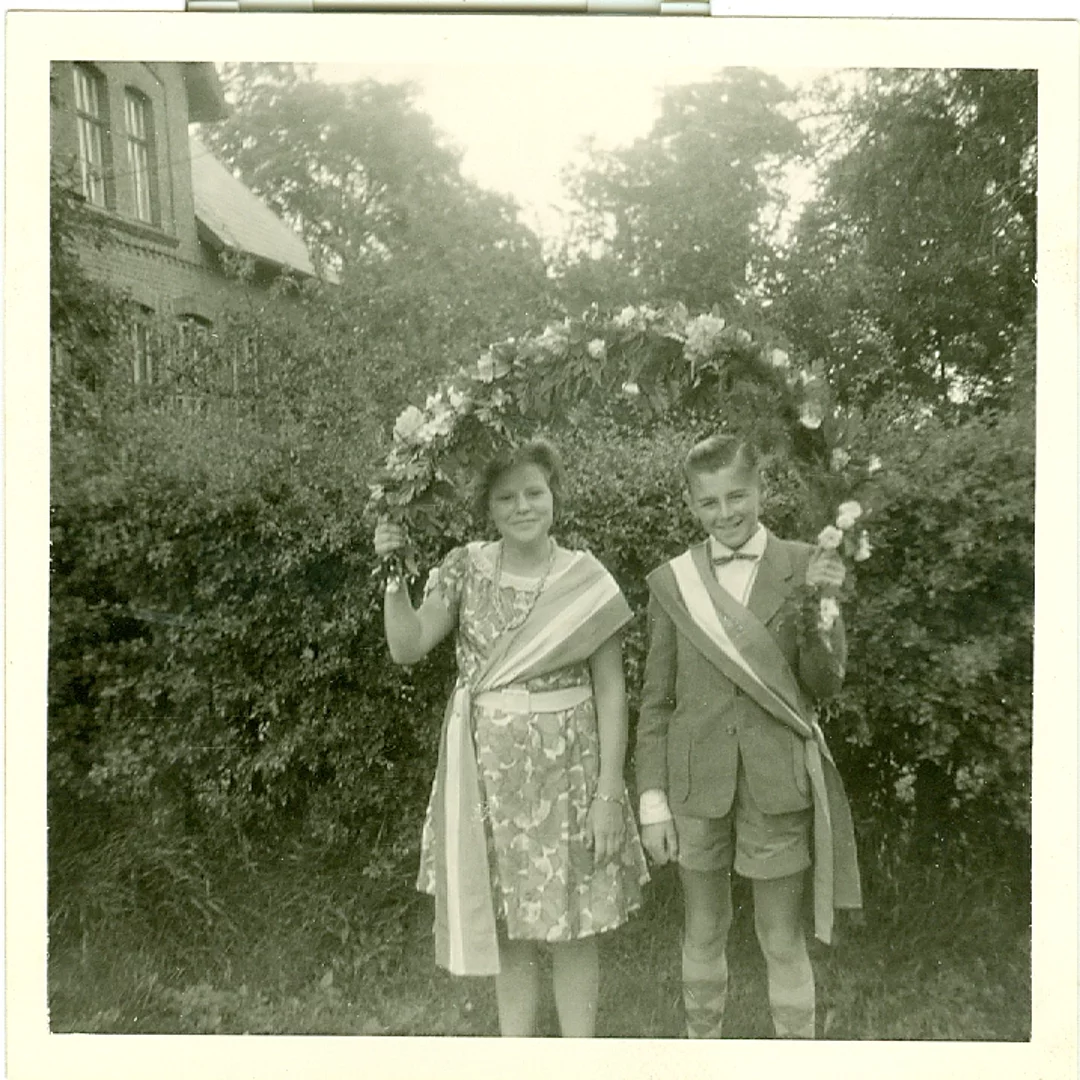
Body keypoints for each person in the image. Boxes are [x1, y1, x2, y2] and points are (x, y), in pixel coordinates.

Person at [373, 438, 649, 1037]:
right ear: (487, 507)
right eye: (506, 498)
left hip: (570, 770)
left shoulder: (585, 578)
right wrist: (393, 576)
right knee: (510, 927)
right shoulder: (464, 569)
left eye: (534, 492)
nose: (523, 507)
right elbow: (408, 646)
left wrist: (609, 792)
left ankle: (579, 1061)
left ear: (555, 496)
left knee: (575, 924)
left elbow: (611, 690)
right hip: (491, 774)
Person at [635, 433, 862, 1040]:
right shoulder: (676, 582)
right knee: (703, 929)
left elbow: (824, 683)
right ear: (690, 504)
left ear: (762, 488)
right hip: (695, 785)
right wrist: (652, 799)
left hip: (775, 780)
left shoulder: (806, 563)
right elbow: (656, 700)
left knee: (780, 937)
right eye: (709, 502)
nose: (726, 513)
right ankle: (702, 1050)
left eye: (737, 495)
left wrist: (825, 602)